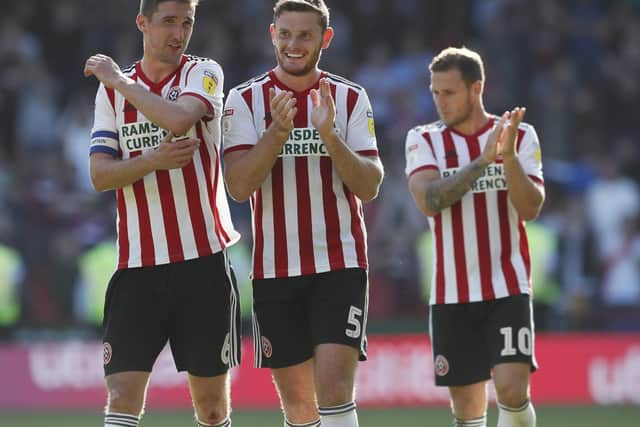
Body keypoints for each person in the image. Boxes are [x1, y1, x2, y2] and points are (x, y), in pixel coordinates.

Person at [222, 1, 383, 426]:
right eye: (286, 34)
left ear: (324, 39)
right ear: (272, 34)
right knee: (298, 407)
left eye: (305, 35)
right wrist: (276, 133)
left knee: (332, 391)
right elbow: (238, 187)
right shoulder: (244, 100)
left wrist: (329, 135)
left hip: (340, 263)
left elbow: (369, 185)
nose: (294, 44)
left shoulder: (348, 98)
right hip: (275, 271)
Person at [83, 1, 241, 426]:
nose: (178, 32)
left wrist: (117, 80)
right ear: (142, 23)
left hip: (202, 265)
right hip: (137, 268)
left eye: (186, 22)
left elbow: (177, 117)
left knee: (211, 408)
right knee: (120, 395)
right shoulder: (110, 93)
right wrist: (152, 159)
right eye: (168, 21)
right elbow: (99, 174)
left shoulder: (202, 72)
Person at [405, 47, 544, 427]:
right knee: (468, 410)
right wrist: (483, 161)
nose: (440, 101)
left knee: (513, 390)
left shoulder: (521, 135)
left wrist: (509, 159)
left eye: (448, 92)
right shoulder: (424, 139)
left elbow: (530, 208)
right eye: (435, 92)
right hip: (452, 293)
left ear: (476, 88)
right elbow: (430, 200)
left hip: (508, 286)